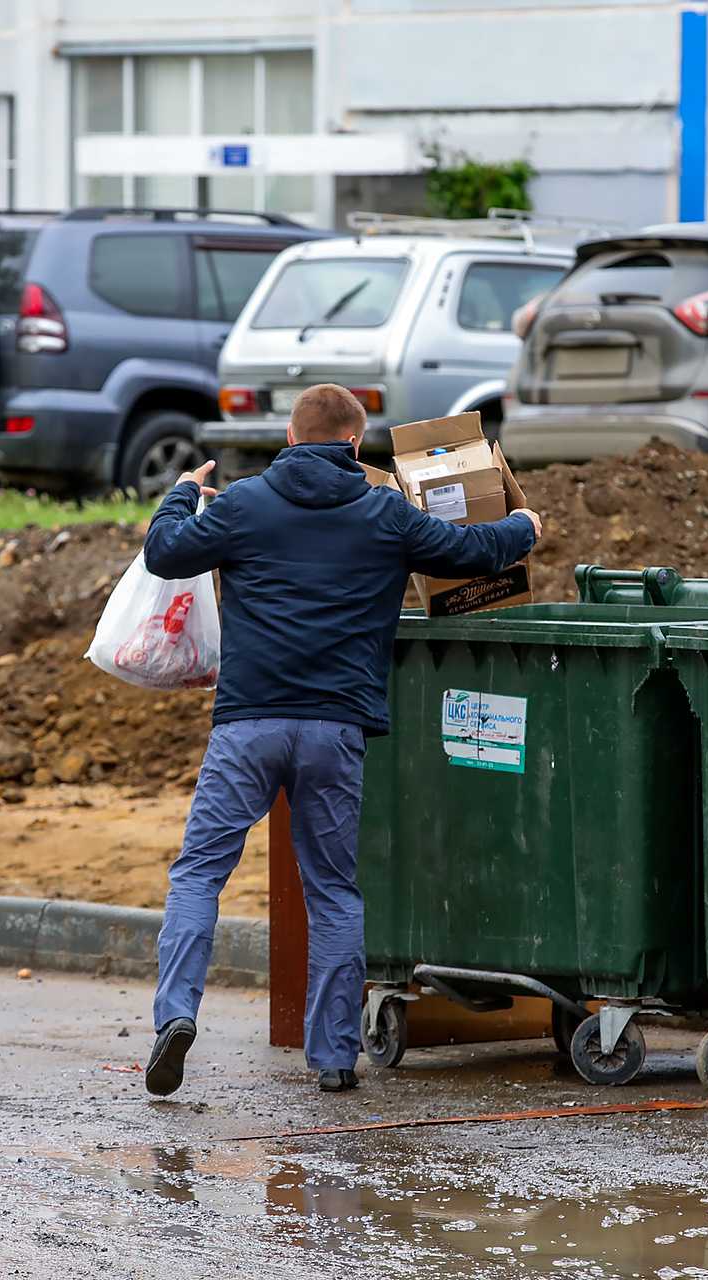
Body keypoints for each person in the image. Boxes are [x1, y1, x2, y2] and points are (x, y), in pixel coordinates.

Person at [140, 384, 542, 1095]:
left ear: (290, 438)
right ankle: (331, 1057)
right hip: (335, 728)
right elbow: (469, 552)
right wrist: (525, 528)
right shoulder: (384, 511)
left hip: (248, 725)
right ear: (356, 445)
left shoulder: (244, 502)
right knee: (332, 891)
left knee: (200, 871)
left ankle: (176, 1015)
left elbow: (166, 554)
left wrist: (179, 493)